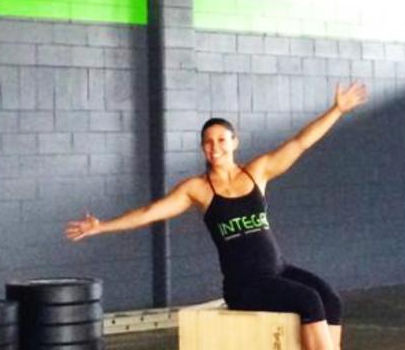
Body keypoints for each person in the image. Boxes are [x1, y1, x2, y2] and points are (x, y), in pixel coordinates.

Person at [66, 81, 368, 350]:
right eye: (208, 143)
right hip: (244, 286)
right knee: (309, 301)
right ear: (203, 149)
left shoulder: (257, 172)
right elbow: (149, 212)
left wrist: (337, 110)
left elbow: (299, 142)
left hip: (278, 271)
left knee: (330, 299)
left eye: (221, 140)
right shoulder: (198, 189)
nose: (215, 147)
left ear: (234, 142)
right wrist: (101, 226)